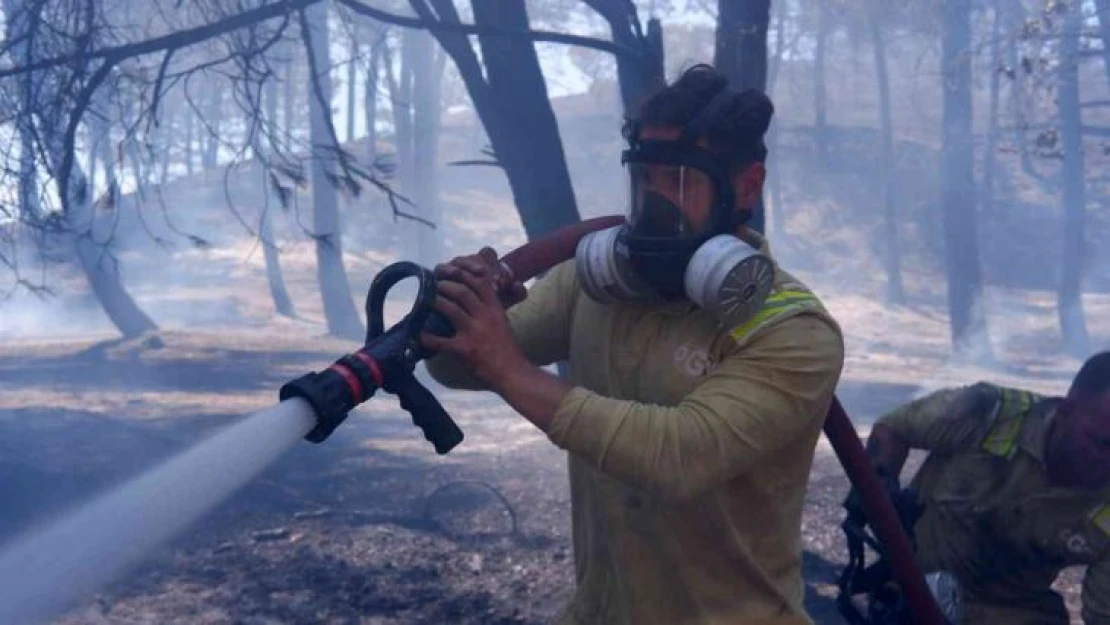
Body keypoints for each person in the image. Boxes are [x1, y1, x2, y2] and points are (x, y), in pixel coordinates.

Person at [422, 64, 846, 625]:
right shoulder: (596, 285)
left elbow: (680, 456)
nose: (653, 202)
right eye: (645, 178)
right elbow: (462, 368)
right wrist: (456, 310)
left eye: (678, 181)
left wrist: (509, 369)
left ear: (746, 186)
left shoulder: (794, 331)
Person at [863, 351, 1110, 624]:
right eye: (1103, 443)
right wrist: (881, 496)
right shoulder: (989, 413)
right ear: (1065, 411)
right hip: (915, 591)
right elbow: (895, 428)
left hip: (1013, 613)